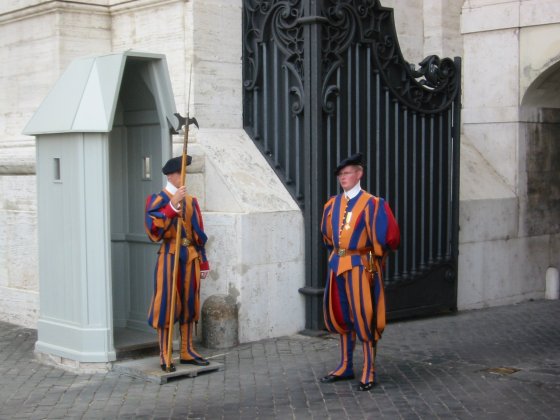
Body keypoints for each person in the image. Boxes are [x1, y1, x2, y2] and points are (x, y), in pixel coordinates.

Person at [320, 152, 400, 391]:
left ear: (359, 174)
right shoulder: (332, 204)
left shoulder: (373, 204)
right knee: (341, 316)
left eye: (347, 173)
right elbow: (327, 237)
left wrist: (374, 261)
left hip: (361, 267)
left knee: (365, 317)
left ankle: (369, 369)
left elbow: (390, 238)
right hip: (337, 265)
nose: (343, 178)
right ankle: (346, 365)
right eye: (340, 175)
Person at [144, 155, 210, 372]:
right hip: (169, 256)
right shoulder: (158, 199)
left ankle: (186, 350)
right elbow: (153, 229)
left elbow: (198, 232)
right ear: (171, 176)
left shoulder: (191, 202)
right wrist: (172, 206)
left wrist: (203, 262)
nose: (184, 177)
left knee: (190, 303)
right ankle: (165, 354)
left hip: (189, 256)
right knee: (166, 304)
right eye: (181, 173)